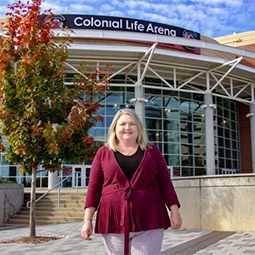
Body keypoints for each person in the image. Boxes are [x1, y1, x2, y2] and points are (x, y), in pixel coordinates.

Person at [81, 108, 182, 255]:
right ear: (115, 127)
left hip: (150, 218)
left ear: (139, 128)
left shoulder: (152, 151)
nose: (127, 128)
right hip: (113, 219)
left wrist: (175, 211)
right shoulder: (103, 153)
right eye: (122, 124)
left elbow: (165, 183)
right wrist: (87, 220)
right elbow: (94, 188)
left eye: (132, 124)